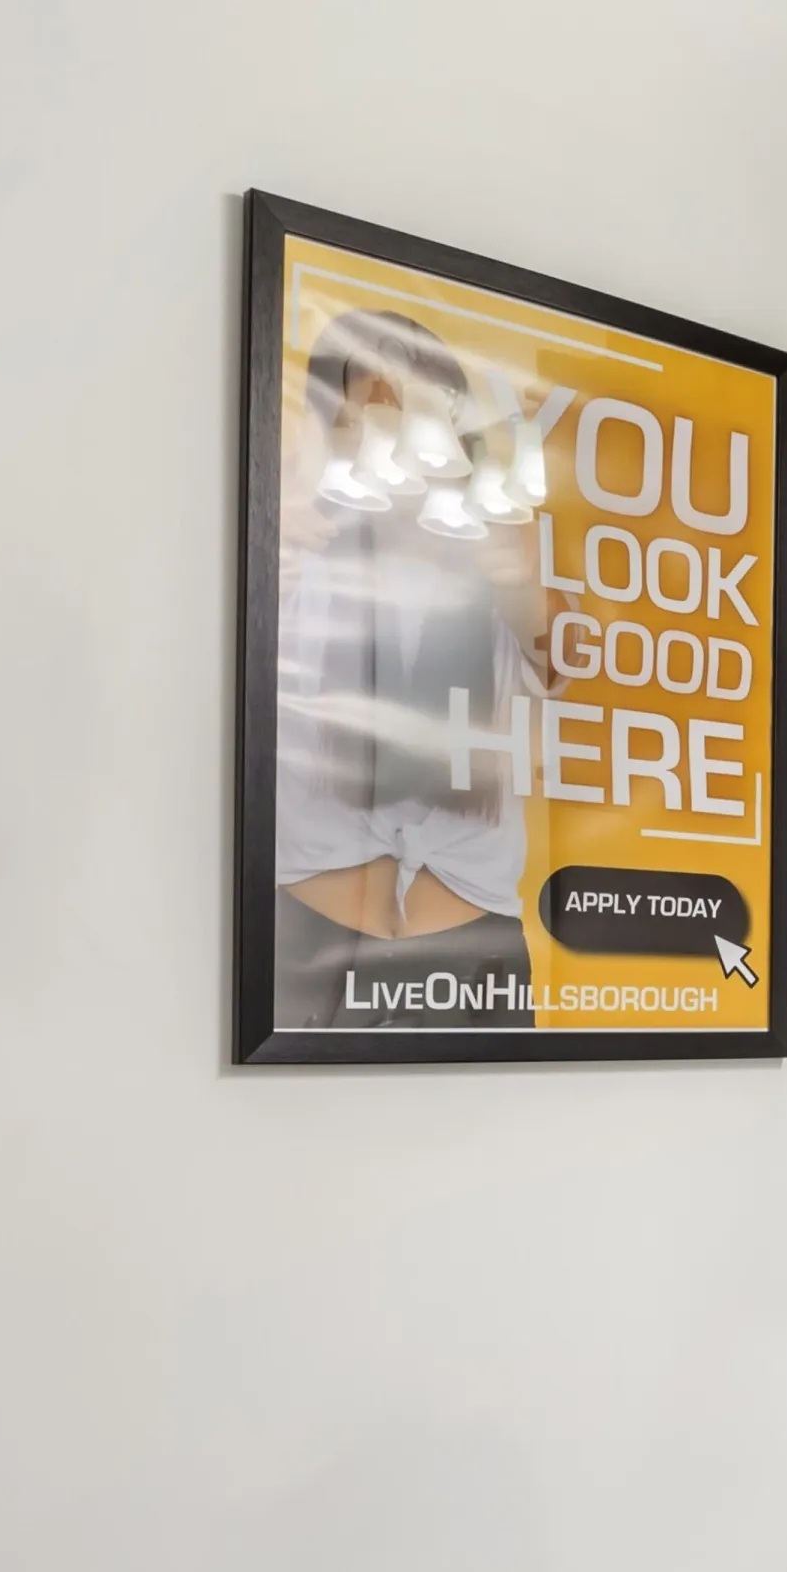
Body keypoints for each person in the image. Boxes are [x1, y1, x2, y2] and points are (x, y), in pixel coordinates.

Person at [268, 305, 551, 1029]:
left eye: (419, 410)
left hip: (470, 943)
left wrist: (505, 524)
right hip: (309, 933)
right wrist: (303, 487)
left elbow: (555, 652)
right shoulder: (294, 555)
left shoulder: (492, 572)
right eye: (368, 406)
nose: (392, 435)